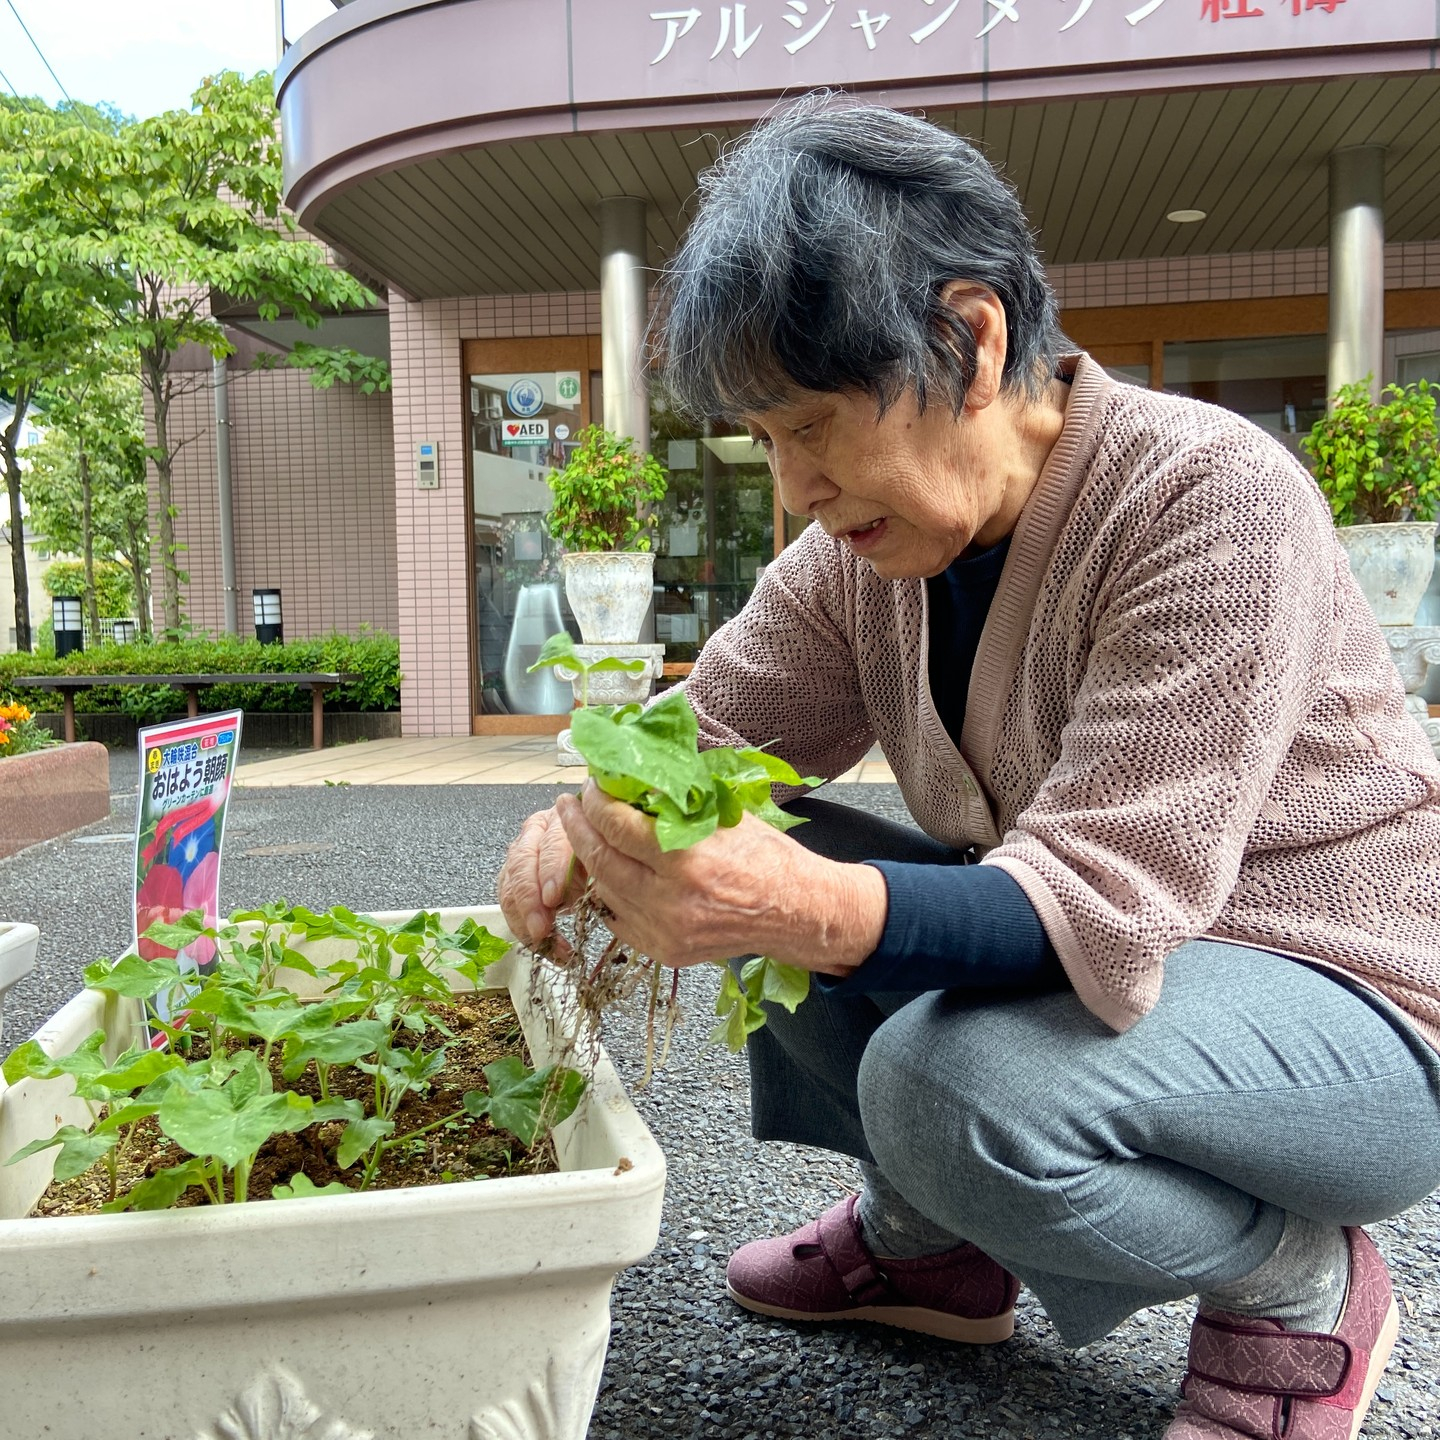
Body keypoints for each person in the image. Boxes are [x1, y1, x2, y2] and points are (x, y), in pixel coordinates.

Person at [498, 95, 1440, 1439]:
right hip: (1130, 987)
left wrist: (800, 911)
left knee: (938, 1076)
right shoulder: (858, 557)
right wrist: (581, 824)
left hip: (1346, 1024)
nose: (797, 487)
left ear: (971, 335)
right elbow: (698, 738)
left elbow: (1100, 896)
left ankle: (1297, 1284)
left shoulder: (1207, 497)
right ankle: (932, 1245)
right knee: (771, 855)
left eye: (814, 423)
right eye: (765, 442)